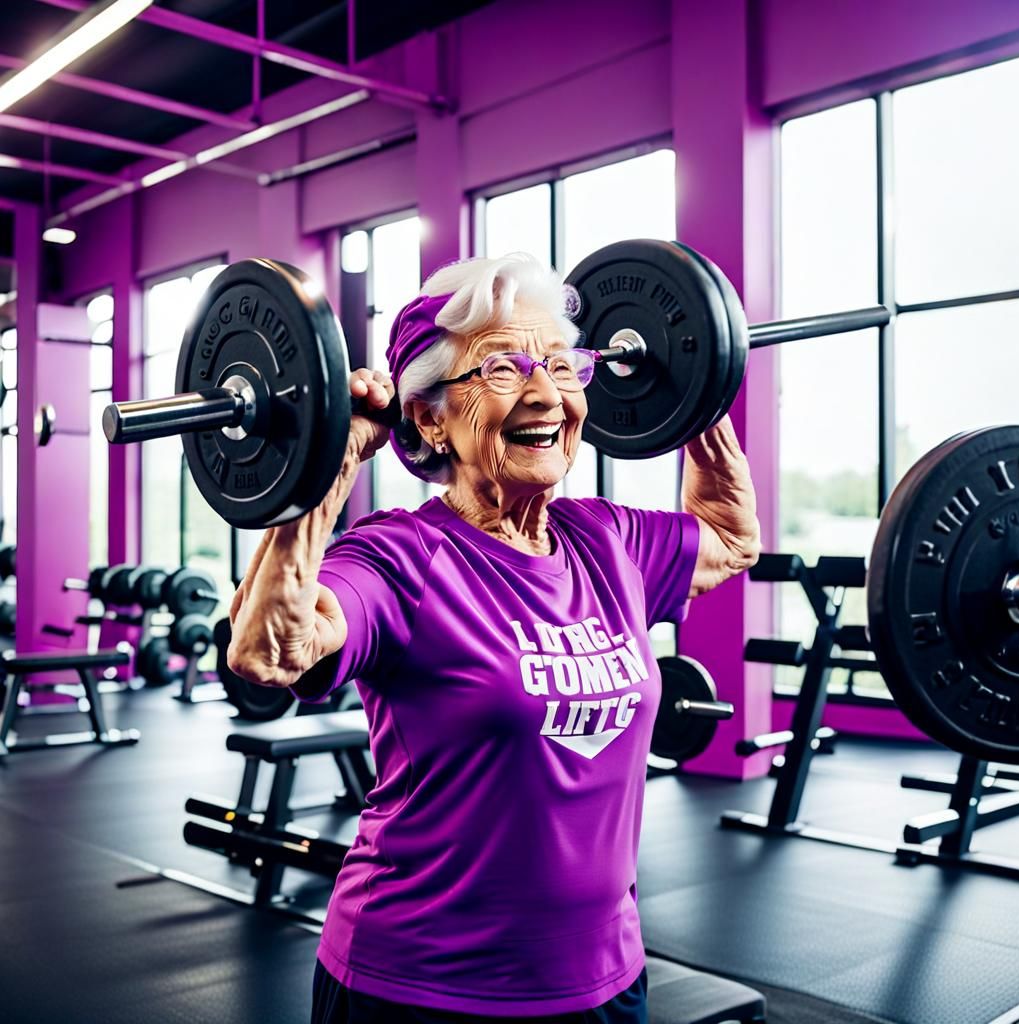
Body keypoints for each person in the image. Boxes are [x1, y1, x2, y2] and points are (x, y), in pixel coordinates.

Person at [228, 253, 760, 1023]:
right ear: (428, 415)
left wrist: (696, 386)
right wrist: (329, 463)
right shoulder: (399, 556)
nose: (545, 392)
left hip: (605, 976)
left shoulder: (606, 539)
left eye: (562, 364)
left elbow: (731, 536)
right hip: (417, 986)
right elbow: (269, 651)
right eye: (503, 370)